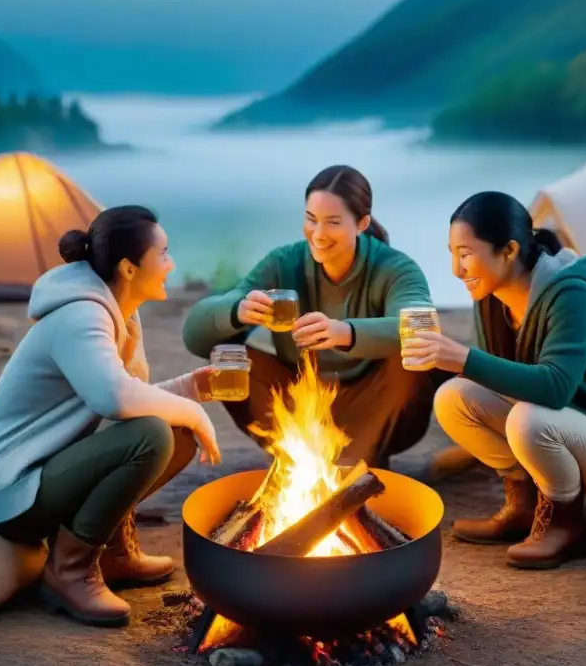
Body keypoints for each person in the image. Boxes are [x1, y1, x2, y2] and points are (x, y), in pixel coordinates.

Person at [0, 205, 222, 628]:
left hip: (43, 471)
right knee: (154, 435)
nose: (171, 264)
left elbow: (123, 401)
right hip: (11, 491)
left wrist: (189, 390)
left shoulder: (118, 314)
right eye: (163, 254)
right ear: (127, 267)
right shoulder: (81, 316)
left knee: (170, 431)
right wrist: (195, 412)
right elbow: (116, 402)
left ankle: (114, 555)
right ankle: (68, 572)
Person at [402, 191, 586, 570]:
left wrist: (463, 358)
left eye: (465, 254)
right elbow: (506, 382)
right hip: (564, 427)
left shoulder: (571, 295)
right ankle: (522, 507)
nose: (456, 270)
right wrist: (450, 364)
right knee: (453, 398)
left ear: (508, 251)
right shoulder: (491, 299)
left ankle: (564, 522)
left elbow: (554, 387)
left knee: (526, 419)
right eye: (451, 253)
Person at [182, 165, 443, 466]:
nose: (318, 234)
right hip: (302, 399)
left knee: (411, 359)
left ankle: (361, 462)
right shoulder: (284, 262)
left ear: (361, 223)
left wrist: (344, 332)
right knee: (231, 358)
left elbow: (422, 329)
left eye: (333, 222)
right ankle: (299, 459)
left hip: (374, 403)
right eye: (311, 220)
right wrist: (236, 311)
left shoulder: (395, 268)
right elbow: (195, 336)